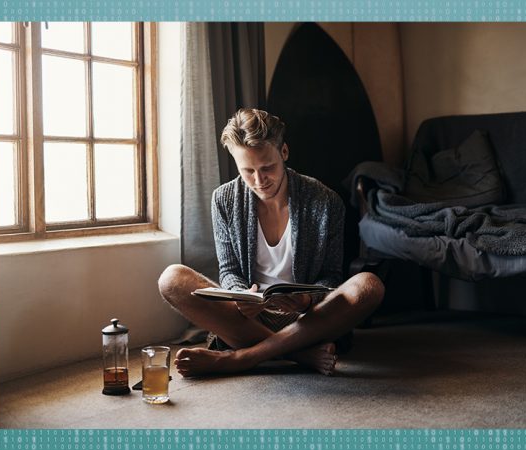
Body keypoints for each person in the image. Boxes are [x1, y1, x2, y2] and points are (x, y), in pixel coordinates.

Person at [158, 108, 384, 377]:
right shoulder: (224, 200)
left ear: (284, 153)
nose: (259, 180)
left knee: (369, 285)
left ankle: (241, 357)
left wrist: (305, 299)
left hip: (308, 320)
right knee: (171, 279)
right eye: (248, 171)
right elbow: (229, 271)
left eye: (268, 168)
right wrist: (241, 297)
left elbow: (331, 277)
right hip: (248, 319)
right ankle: (297, 354)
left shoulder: (325, 201)